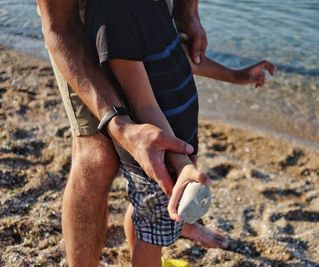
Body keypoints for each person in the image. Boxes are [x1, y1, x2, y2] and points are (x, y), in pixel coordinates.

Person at [36, 0, 228, 266]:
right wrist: (120, 125)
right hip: (84, 24)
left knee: (152, 205)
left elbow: (181, 57)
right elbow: (60, 29)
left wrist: (188, 13)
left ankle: (173, 223)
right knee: (99, 158)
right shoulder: (113, 19)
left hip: (172, 120)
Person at [84, 0, 275, 264]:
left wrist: (236, 75)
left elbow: (179, 57)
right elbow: (144, 105)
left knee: (146, 213)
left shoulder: (157, 4)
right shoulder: (115, 17)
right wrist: (181, 162)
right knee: (153, 234)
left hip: (179, 140)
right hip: (158, 151)